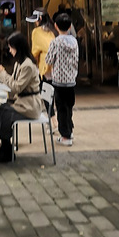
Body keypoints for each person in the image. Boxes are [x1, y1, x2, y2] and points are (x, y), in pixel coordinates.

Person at [0, 32, 43, 163]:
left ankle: (7, 149)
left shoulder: (27, 65)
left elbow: (16, 87)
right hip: (22, 102)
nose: (10, 50)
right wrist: (2, 73)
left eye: (11, 47)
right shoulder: (20, 63)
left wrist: (2, 74)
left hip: (29, 106)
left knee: (2, 114)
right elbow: (13, 82)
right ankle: (6, 146)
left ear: (18, 48)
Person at [45, 13, 79, 147]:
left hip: (59, 81)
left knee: (61, 109)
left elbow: (49, 60)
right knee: (69, 107)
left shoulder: (55, 42)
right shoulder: (74, 42)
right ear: (70, 26)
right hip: (71, 80)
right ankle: (69, 131)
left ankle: (65, 136)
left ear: (55, 26)